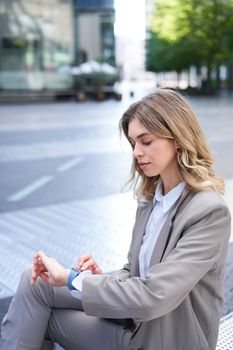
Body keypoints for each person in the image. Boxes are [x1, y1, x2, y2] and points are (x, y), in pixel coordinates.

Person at [1, 89, 231, 350]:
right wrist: (99, 278)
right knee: (36, 285)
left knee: (37, 317)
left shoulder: (208, 212)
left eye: (146, 141)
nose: (136, 152)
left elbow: (153, 296)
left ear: (177, 139)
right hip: (133, 322)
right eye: (133, 143)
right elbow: (134, 272)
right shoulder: (150, 200)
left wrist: (72, 279)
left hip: (163, 340)